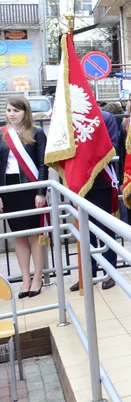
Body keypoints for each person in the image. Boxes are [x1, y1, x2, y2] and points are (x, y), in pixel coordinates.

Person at [0, 95, 48, 298]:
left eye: (16, 111)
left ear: (25, 112)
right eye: (9, 110)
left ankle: (37, 278)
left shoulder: (36, 133)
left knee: (35, 235)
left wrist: (41, 192)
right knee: (19, 236)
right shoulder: (2, 135)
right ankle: (25, 280)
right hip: (9, 190)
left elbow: (42, 164)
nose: (12, 114)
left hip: (31, 189)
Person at [72, 105, 122, 291]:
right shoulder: (66, 117)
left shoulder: (106, 117)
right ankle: (87, 272)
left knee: (104, 228)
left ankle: (110, 272)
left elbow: (112, 147)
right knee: (83, 229)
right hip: (76, 180)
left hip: (100, 179)